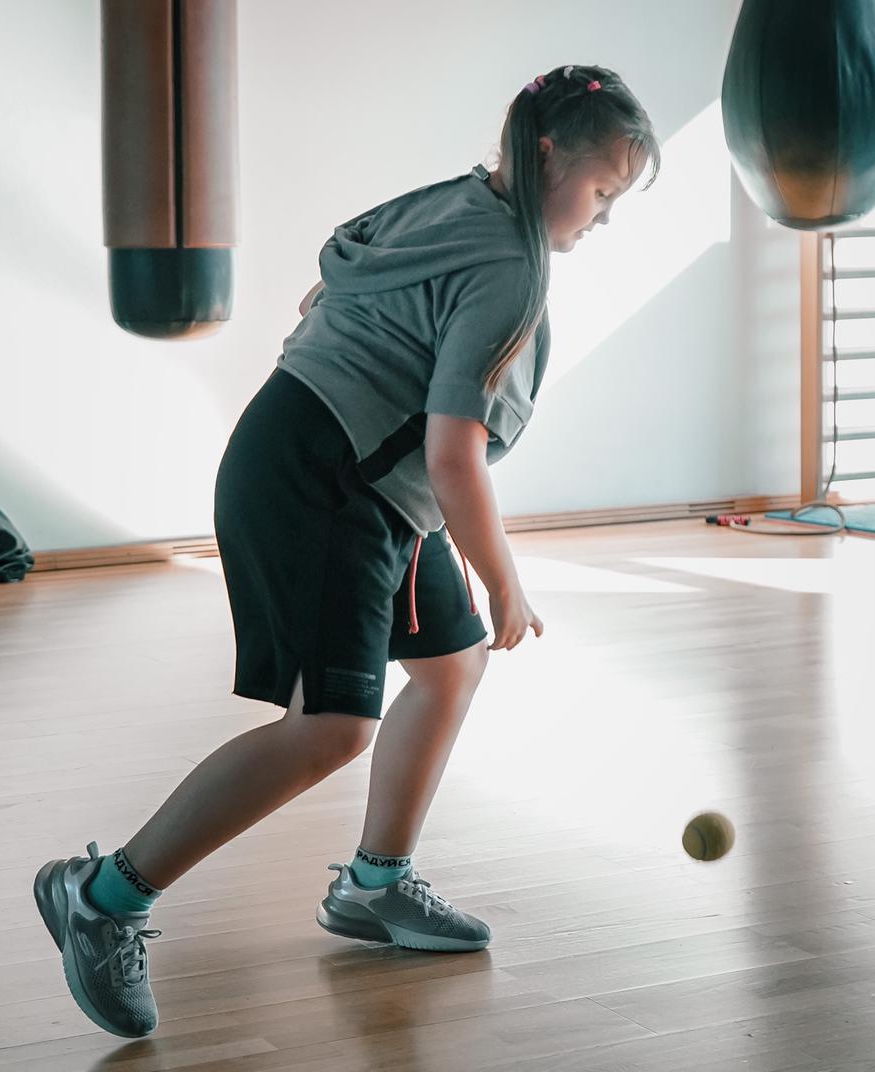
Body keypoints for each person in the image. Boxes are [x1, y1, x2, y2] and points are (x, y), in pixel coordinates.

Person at [33, 63, 661, 1039]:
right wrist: (505, 580)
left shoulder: (453, 197)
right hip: (324, 480)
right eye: (603, 190)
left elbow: (332, 266)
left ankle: (374, 885)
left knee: (447, 669)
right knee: (328, 727)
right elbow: (455, 455)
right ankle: (103, 894)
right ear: (547, 157)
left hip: (336, 461)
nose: (604, 215)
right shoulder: (509, 269)